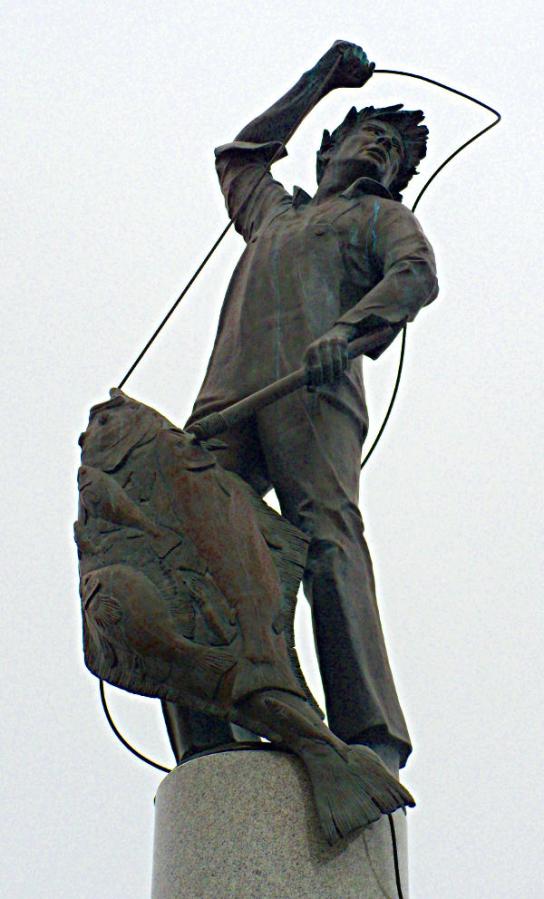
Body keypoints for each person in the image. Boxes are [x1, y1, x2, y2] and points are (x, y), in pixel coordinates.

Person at [165, 40, 438, 772]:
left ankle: (371, 731)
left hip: (313, 393)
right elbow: (241, 158)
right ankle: (210, 728)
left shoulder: (377, 218)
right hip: (229, 398)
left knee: (325, 541)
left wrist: (348, 330)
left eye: (393, 152)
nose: (380, 150)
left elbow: (414, 274)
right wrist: (319, 81)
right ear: (328, 150)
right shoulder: (275, 215)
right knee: (187, 538)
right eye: (370, 135)